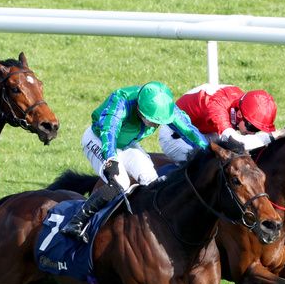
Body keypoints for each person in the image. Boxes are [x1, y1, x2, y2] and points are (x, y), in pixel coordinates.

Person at [61, 81, 208, 242]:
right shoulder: (121, 100)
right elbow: (109, 131)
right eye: (152, 121)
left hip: (127, 144)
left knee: (152, 180)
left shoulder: (166, 108)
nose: (156, 125)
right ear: (139, 109)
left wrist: (211, 150)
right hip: (99, 140)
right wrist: (110, 159)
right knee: (120, 182)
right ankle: (77, 221)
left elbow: (189, 131)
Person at [160, 83, 285, 162]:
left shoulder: (241, 103)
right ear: (239, 114)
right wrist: (277, 134)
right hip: (174, 135)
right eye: (252, 127)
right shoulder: (217, 108)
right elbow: (238, 143)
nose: (252, 133)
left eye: (258, 130)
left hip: (203, 131)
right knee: (212, 164)